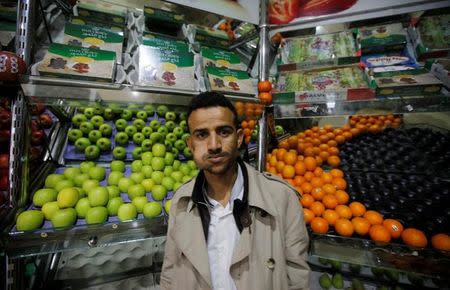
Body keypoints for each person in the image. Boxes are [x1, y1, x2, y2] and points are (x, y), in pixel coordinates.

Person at [161, 92, 310, 290]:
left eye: (223, 132)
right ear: (190, 144)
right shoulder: (181, 201)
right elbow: (170, 274)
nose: (214, 145)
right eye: (202, 134)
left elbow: (297, 278)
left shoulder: (282, 199)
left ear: (239, 138)